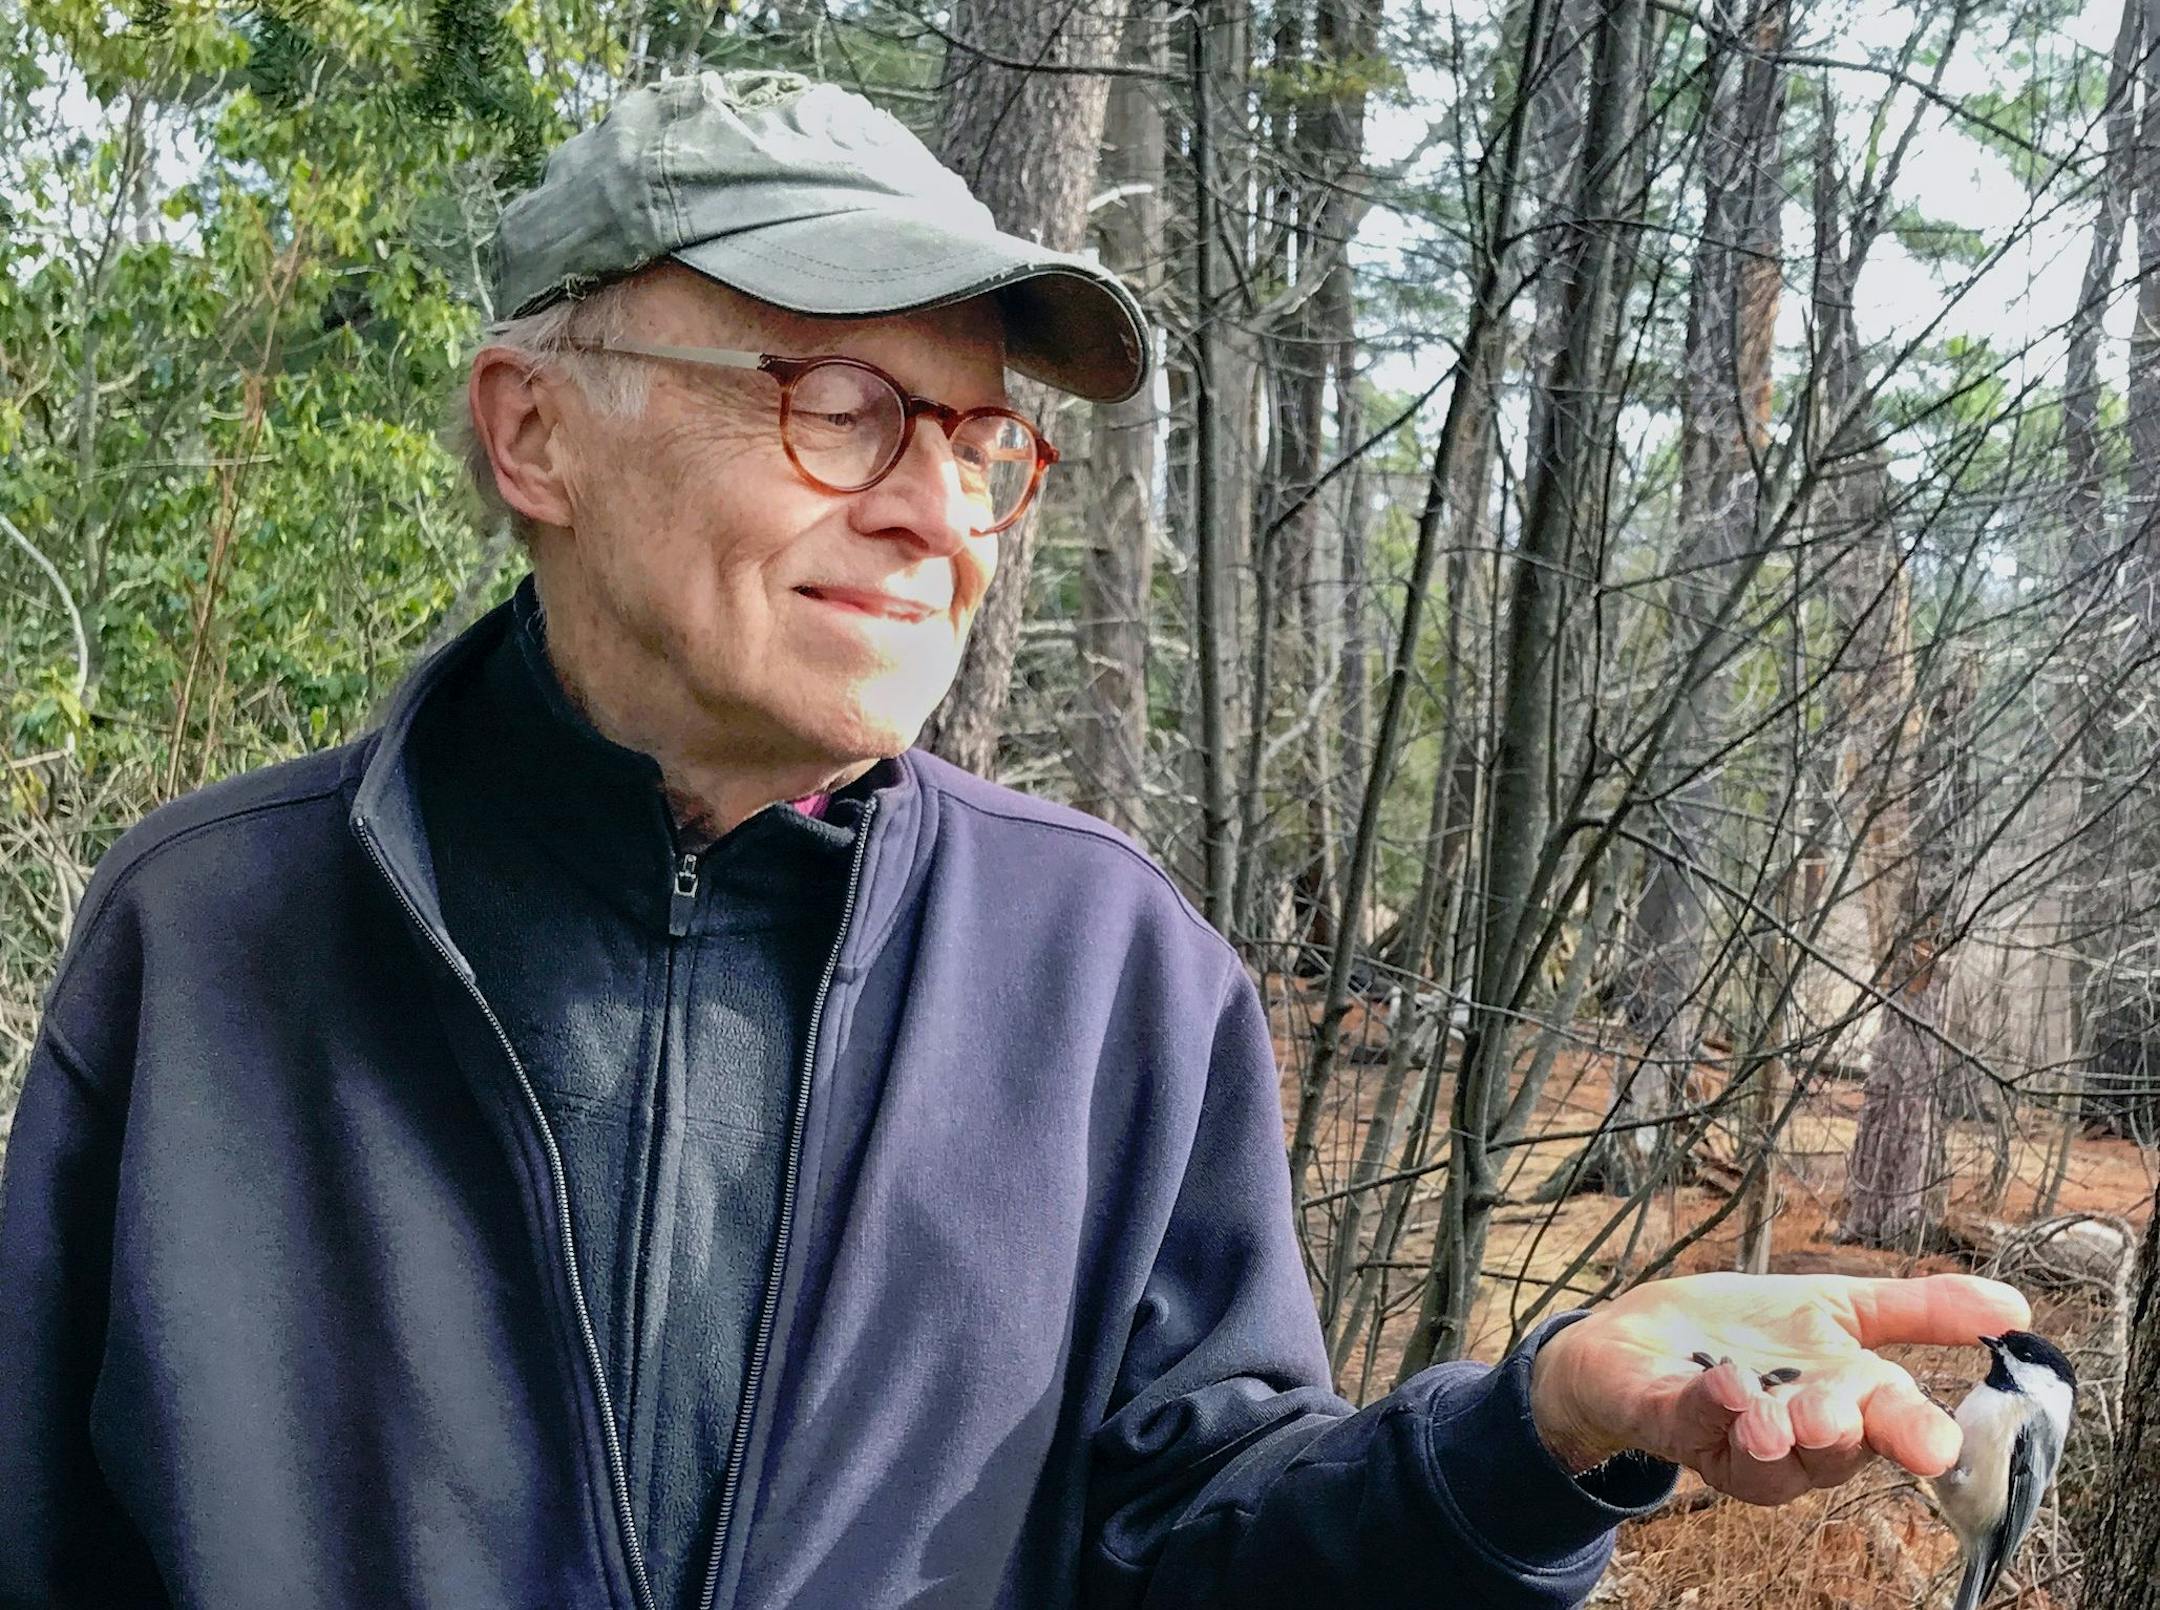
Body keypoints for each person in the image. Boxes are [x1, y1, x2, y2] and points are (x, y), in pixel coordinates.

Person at [0, 69, 2029, 1610]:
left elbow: (1197, 1545)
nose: (942, 518)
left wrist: (1529, 1437)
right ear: (535, 428)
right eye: (846, 408)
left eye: (984, 450)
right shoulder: (215, 932)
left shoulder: (1106, 975)